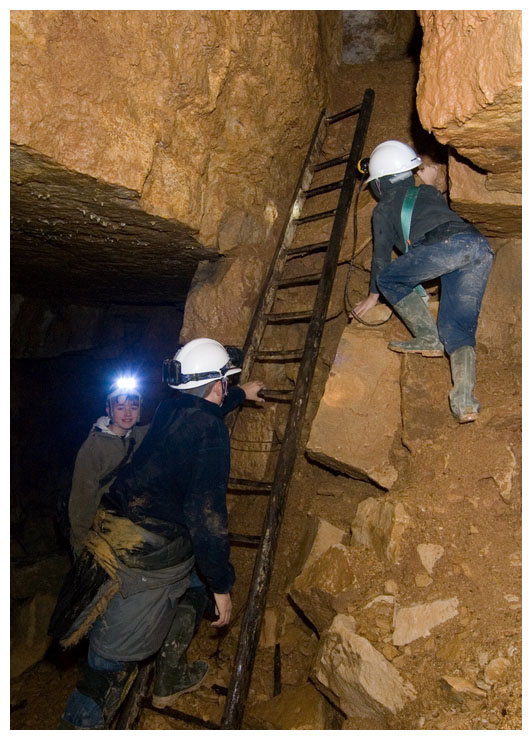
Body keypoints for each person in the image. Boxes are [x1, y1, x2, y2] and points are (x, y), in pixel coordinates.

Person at [53, 339, 264, 729]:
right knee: (106, 669)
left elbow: (197, 410)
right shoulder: (211, 434)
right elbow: (207, 517)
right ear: (216, 384)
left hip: (111, 532)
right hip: (145, 553)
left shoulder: (169, 409)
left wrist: (240, 394)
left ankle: (168, 676)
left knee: (193, 585)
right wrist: (222, 585)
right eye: (226, 383)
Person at [354, 140, 494, 423]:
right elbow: (428, 206)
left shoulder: (383, 209)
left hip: (445, 247)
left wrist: (374, 295)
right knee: (457, 330)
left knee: (388, 278)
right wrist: (428, 181)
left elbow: (381, 258)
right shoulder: (428, 192)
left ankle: (429, 338)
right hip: (477, 246)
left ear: (379, 183)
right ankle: (465, 402)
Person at [68, 377, 148, 556]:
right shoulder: (93, 447)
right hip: (101, 527)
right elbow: (81, 499)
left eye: (133, 407)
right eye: (120, 408)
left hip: (130, 524)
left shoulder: (139, 436)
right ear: (109, 410)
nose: (127, 413)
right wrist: (81, 544)